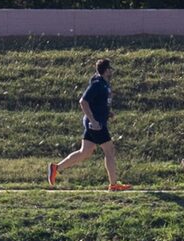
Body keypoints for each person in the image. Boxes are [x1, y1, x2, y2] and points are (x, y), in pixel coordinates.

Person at [48, 59, 131, 192]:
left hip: (98, 121)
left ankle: (56, 168)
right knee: (109, 151)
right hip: (96, 124)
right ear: (106, 70)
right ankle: (114, 185)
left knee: (84, 152)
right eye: (110, 69)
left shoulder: (104, 84)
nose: (111, 72)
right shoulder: (97, 84)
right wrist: (93, 121)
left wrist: (107, 112)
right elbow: (83, 102)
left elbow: (98, 103)